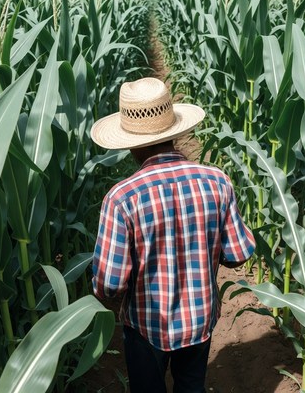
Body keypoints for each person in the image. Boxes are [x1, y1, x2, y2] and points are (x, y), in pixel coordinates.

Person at [90, 77, 256, 393]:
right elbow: (239, 254)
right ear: (173, 132)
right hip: (200, 319)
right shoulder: (216, 182)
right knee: (191, 386)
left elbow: (109, 283)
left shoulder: (123, 198)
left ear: (130, 143)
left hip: (146, 327)